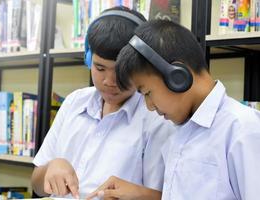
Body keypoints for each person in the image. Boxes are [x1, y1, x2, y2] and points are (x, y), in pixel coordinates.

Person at [87, 19, 260, 200]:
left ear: (177, 76)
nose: (149, 106)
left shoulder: (242, 130)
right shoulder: (180, 131)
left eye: (147, 93)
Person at [31, 7, 175, 199]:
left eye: (120, 71)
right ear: (88, 59)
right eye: (99, 68)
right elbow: (36, 185)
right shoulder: (74, 102)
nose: (109, 81)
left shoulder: (156, 118)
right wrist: (51, 168)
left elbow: (164, 196)